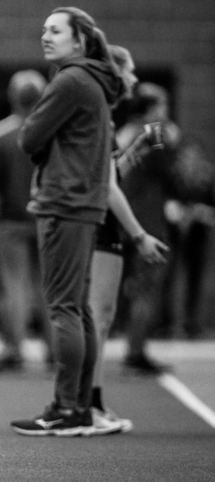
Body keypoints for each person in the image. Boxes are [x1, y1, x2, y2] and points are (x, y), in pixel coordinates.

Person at [10, 7, 122, 436]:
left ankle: (66, 407)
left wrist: (44, 149)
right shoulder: (93, 80)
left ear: (79, 40)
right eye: (43, 30)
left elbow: (28, 137)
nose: (45, 36)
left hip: (64, 203)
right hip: (83, 203)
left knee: (62, 308)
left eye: (55, 31)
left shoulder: (71, 80)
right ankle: (80, 405)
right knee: (78, 308)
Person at [86, 45, 169, 435]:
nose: (133, 80)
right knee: (94, 316)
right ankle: (82, 402)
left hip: (107, 224)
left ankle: (90, 400)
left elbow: (113, 174)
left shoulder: (110, 122)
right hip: (100, 223)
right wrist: (139, 234)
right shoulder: (100, 117)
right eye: (129, 72)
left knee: (101, 316)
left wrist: (136, 150)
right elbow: (108, 185)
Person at [115, 82, 213, 373]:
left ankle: (131, 344)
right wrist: (174, 140)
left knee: (133, 286)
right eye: (162, 105)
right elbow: (173, 171)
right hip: (148, 222)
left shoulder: (125, 133)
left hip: (126, 219)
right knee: (147, 288)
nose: (167, 111)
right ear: (150, 108)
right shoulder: (153, 133)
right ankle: (136, 350)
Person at [0, 70, 50, 371]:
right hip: (48, 219)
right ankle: (55, 349)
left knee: (13, 286)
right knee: (50, 287)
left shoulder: (0, 134)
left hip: (10, 221)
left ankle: (13, 348)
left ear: (12, 98)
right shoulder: (53, 130)